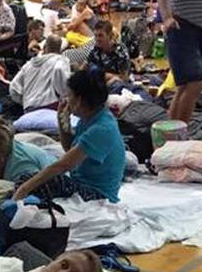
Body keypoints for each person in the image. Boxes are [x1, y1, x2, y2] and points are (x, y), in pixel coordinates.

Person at [13, 68, 126, 203]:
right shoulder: (89, 118)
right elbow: (69, 148)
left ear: (79, 100)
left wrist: (24, 190)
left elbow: (64, 165)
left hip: (98, 194)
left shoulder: (102, 128)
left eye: (69, 95)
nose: (66, 99)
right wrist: (62, 120)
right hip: (80, 183)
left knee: (42, 183)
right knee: (27, 178)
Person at [10, 34, 71, 111]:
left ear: (44, 48)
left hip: (29, 108)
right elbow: (59, 70)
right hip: (51, 107)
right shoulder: (60, 60)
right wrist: (64, 95)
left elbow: (13, 87)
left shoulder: (28, 64)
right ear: (60, 50)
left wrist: (24, 101)